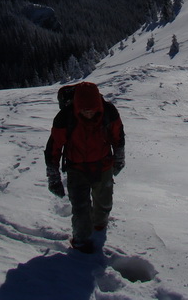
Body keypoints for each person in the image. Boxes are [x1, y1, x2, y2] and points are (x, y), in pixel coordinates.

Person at [44, 81, 125, 253]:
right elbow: (54, 147)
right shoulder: (65, 117)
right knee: (80, 208)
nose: (88, 112)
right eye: (83, 109)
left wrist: (119, 158)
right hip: (77, 169)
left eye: (92, 108)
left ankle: (99, 226)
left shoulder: (109, 113)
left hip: (103, 165)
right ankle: (81, 243)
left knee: (104, 203)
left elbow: (118, 136)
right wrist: (53, 177)